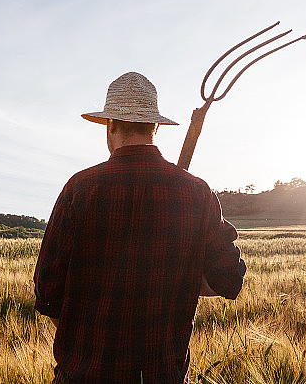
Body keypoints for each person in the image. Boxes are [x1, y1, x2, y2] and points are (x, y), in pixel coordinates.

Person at [34, 71, 246, 384]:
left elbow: (48, 291)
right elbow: (230, 279)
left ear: (110, 127)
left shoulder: (80, 188)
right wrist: (179, 280)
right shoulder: (197, 192)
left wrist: (90, 340)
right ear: (156, 127)